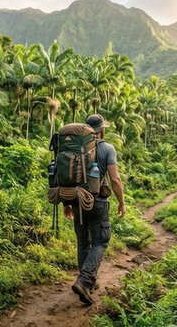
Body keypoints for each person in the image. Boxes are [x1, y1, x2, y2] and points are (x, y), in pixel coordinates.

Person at [64, 114, 126, 305]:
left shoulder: (73, 147)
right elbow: (115, 179)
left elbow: (65, 177)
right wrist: (121, 202)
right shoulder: (107, 148)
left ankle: (88, 283)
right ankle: (84, 281)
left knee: (83, 243)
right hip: (97, 202)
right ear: (101, 129)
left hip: (76, 200)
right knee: (101, 241)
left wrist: (66, 202)